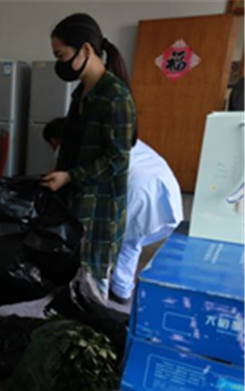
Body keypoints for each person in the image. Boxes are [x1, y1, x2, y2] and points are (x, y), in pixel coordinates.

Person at [41, 13, 137, 297]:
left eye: (61, 55)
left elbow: (117, 159)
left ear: (85, 50)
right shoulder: (81, 92)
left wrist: (70, 176)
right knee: (68, 281)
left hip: (100, 210)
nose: (60, 63)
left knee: (91, 290)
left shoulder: (115, 96)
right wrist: (60, 173)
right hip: (76, 202)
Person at [43, 118, 183, 304]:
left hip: (135, 188)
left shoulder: (76, 146)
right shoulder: (110, 135)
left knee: (104, 243)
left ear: (58, 139)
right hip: (163, 184)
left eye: (53, 145)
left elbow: (70, 177)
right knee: (131, 241)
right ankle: (121, 290)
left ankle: (97, 295)